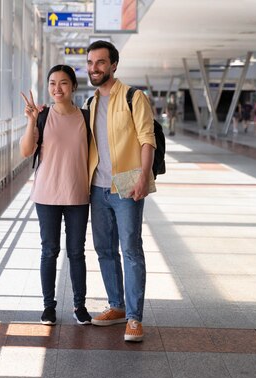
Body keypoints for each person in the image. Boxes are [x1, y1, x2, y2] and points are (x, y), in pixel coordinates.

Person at [85, 40, 156, 342]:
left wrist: (143, 176)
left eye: (100, 62)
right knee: (104, 249)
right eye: (90, 63)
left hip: (127, 182)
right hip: (97, 187)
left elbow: (146, 138)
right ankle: (116, 305)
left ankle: (135, 318)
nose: (94, 68)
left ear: (113, 65)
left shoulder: (133, 96)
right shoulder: (90, 103)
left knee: (130, 248)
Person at [19, 65, 92, 326]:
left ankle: (79, 306)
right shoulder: (42, 115)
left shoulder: (85, 117)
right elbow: (26, 151)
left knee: (76, 252)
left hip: (78, 194)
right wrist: (30, 121)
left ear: (73, 86)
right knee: (49, 251)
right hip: (47, 194)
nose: (57, 88)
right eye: (52, 83)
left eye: (63, 83)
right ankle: (48, 307)